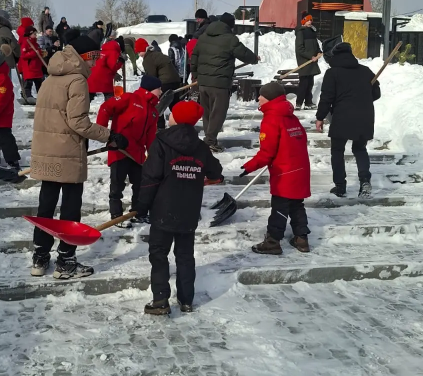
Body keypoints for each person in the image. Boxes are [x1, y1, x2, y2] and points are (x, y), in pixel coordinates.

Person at [29, 28, 129, 279]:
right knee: (70, 209)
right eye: (94, 57)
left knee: (46, 206)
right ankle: (66, 261)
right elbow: (79, 123)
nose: (96, 63)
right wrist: (110, 136)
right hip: (68, 153)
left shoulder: (51, 77)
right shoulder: (77, 81)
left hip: (47, 151)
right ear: (84, 56)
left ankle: (40, 257)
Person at [135, 100, 223, 315]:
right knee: (185, 256)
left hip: (163, 211)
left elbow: (150, 178)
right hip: (188, 211)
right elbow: (215, 171)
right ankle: (186, 300)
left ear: (176, 118)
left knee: (158, 254)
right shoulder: (201, 147)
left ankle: (160, 300)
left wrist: (141, 206)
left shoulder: (161, 142)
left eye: (172, 113)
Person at [242, 82, 311, 255]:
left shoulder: (271, 118)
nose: (258, 98)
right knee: (296, 204)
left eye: (262, 95)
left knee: (280, 207)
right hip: (299, 168)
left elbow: (267, 152)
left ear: (270, 99)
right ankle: (301, 239)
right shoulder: (290, 116)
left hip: (284, 171)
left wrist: (248, 167)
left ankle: (273, 242)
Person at [315, 40, 381, 198]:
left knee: (337, 150)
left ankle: (340, 186)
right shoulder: (365, 71)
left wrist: (320, 117)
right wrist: (363, 98)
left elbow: (326, 97)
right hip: (364, 115)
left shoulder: (332, 73)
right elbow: (376, 93)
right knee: (360, 149)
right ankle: (365, 181)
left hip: (341, 115)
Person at [96, 74, 162, 227]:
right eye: (159, 89)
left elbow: (151, 137)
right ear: (151, 89)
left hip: (137, 154)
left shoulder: (153, 111)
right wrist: (104, 133)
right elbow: (105, 108)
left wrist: (153, 156)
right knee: (117, 185)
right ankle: (116, 215)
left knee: (141, 185)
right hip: (120, 149)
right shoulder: (129, 98)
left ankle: (138, 212)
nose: (161, 92)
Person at [189, 12, 259, 153]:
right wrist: (254, 58)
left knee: (207, 113)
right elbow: (244, 53)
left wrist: (196, 75)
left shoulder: (204, 37)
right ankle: (209, 141)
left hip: (203, 83)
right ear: (230, 26)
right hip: (219, 83)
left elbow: (194, 56)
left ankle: (210, 139)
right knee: (218, 113)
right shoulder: (230, 39)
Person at [135, 38, 181, 128]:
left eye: (139, 52)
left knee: (157, 105)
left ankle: (159, 127)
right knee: (174, 104)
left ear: (144, 50)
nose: (138, 54)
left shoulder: (148, 59)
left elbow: (152, 78)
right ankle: (181, 123)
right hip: (175, 80)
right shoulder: (156, 54)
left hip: (165, 82)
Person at [294, 11, 321, 110]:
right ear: (303, 21)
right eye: (308, 20)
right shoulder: (300, 32)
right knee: (304, 83)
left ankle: (308, 103)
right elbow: (299, 49)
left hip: (312, 61)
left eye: (311, 20)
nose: (310, 21)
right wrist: (311, 56)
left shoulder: (312, 32)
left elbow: (316, 45)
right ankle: (299, 103)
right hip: (304, 61)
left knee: (310, 83)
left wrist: (319, 52)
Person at [20, 26, 45, 98]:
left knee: (39, 83)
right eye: (34, 34)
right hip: (29, 68)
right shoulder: (25, 43)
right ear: (29, 34)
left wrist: (41, 53)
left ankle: (41, 97)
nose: (36, 35)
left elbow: (38, 53)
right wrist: (34, 53)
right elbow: (23, 55)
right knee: (28, 83)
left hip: (37, 67)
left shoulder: (36, 44)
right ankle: (27, 96)